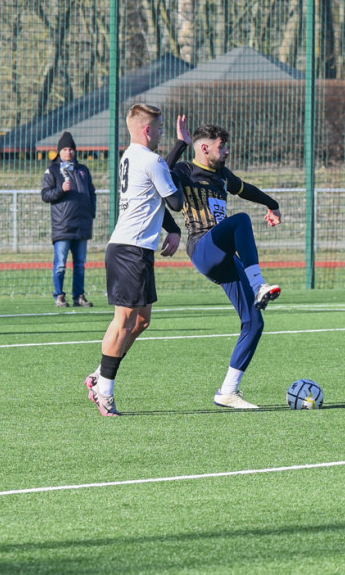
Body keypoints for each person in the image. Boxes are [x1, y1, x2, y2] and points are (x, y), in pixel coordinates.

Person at [166, 117, 281, 409]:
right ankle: (258, 283)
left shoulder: (223, 175)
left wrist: (272, 204)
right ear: (205, 148)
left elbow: (247, 189)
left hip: (224, 255)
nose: (226, 151)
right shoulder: (184, 170)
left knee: (254, 323)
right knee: (240, 220)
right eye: (221, 146)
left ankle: (228, 391)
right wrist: (180, 143)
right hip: (202, 247)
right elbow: (161, 175)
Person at [84, 103, 184, 417]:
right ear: (147, 130)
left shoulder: (131, 155)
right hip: (130, 250)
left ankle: (100, 376)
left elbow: (156, 195)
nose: (162, 132)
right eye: (159, 127)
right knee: (124, 320)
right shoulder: (152, 160)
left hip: (134, 249)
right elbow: (176, 201)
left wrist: (172, 230)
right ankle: (105, 393)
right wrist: (183, 165)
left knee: (141, 321)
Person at [41, 132, 97, 308]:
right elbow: (45, 195)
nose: (68, 152)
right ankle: (59, 296)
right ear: (59, 152)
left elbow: (92, 193)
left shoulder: (83, 171)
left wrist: (90, 213)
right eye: (65, 149)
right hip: (63, 226)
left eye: (71, 149)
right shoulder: (52, 171)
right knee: (60, 264)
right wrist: (61, 189)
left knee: (80, 265)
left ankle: (79, 296)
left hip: (82, 225)